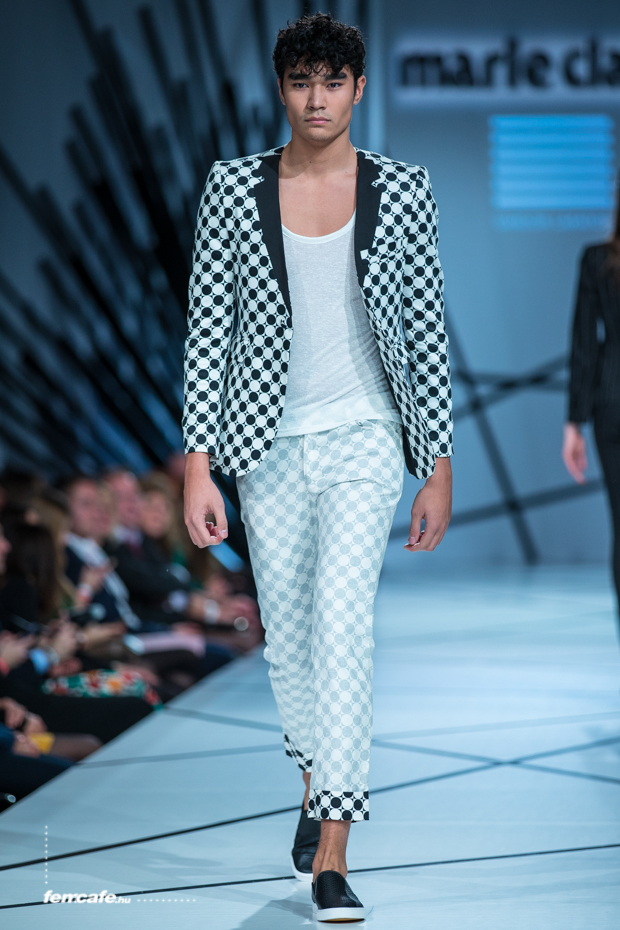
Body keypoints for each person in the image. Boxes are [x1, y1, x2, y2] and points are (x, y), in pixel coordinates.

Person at [183, 13, 453, 922]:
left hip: (366, 434)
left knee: (341, 622)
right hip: (265, 444)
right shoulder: (233, 187)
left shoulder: (403, 189)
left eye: (333, 82)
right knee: (290, 645)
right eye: (302, 81)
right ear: (281, 88)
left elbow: (425, 330)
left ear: (358, 90)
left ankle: (334, 849)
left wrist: (436, 461)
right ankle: (315, 774)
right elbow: (209, 330)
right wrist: (198, 466)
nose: (317, 98)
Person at [563, 176, 620, 635]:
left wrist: (574, 423)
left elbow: (585, 346)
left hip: (611, 403)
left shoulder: (599, 260)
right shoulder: (598, 260)